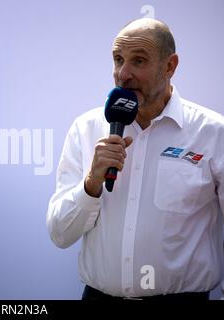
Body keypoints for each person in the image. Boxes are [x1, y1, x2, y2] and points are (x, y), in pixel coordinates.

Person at [47, 18, 224, 300]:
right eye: (118, 59)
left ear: (170, 66)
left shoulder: (213, 132)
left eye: (139, 61)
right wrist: (91, 183)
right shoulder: (87, 127)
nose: (123, 74)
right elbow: (60, 234)